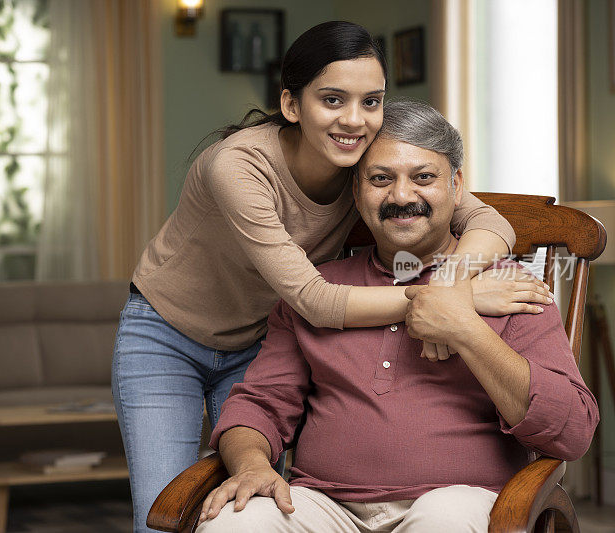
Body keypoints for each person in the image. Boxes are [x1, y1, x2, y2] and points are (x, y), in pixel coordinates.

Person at [112, 21, 551, 532]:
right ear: (292, 105)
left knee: (261, 497)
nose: (355, 120)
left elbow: (487, 221)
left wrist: (451, 287)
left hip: (260, 335)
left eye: (372, 101)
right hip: (168, 334)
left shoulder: (367, 164)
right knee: (159, 517)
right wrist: (458, 298)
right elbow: (315, 301)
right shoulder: (236, 165)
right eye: (333, 100)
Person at [196, 100, 599, 533]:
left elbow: (570, 431)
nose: (402, 196)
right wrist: (252, 462)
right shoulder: (317, 289)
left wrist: (463, 325)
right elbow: (260, 404)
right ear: (356, 191)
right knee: (233, 523)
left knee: (442, 518)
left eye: (423, 177)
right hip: (323, 505)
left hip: (457, 502)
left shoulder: (509, 290)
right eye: (380, 179)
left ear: (457, 186)